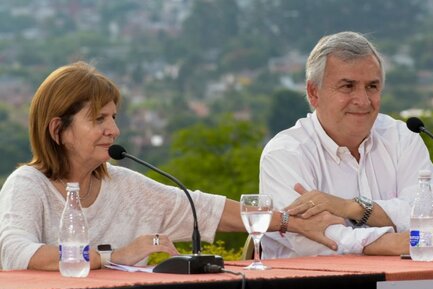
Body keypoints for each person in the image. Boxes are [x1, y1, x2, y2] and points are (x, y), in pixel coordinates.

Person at [0, 61, 343, 271]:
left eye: (114, 117)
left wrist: (291, 223)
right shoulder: (28, 184)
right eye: (99, 119)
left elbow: (207, 210)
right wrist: (116, 256)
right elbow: (18, 252)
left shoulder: (124, 184)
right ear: (58, 129)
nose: (114, 130)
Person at [259, 31, 433, 259]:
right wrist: (387, 242)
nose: (363, 100)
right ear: (313, 93)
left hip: (400, 286)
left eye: (372, 87)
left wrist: (353, 208)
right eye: (348, 86)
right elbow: (309, 238)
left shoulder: (402, 136)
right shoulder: (285, 153)